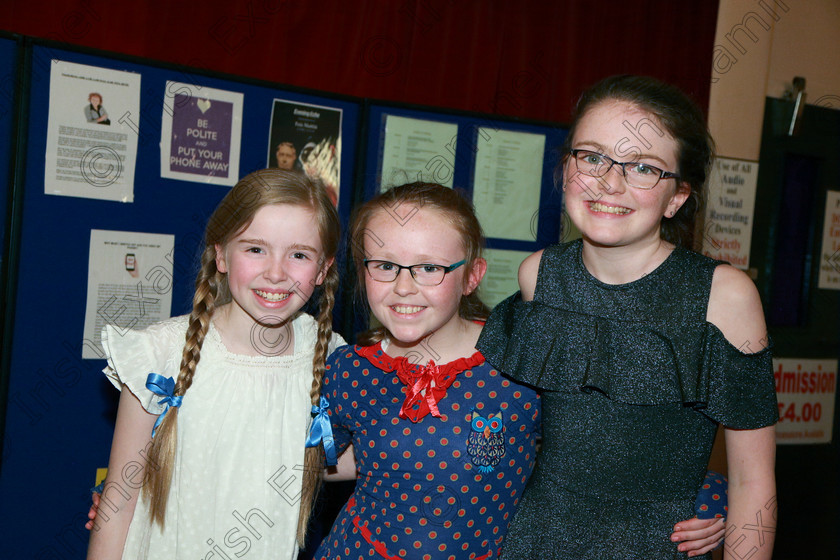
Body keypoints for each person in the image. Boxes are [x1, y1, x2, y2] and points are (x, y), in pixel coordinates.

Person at [310, 182, 725, 560]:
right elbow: (326, 461)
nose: (403, 286)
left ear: (472, 276)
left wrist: (702, 496)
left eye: (429, 268)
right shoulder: (349, 370)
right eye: (384, 265)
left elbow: (610, 446)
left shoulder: (523, 359)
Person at [477, 75, 778, 559]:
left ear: (677, 196)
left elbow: (753, 481)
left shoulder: (724, 296)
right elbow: (513, 432)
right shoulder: (539, 276)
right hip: (533, 542)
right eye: (592, 157)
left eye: (643, 167)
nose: (608, 182)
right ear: (565, 167)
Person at [86, 169, 343, 560]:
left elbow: (366, 457)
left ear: (323, 270)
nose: (276, 273)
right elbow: (118, 501)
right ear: (221, 254)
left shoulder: (330, 358)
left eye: (299, 255)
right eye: (255, 249)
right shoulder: (161, 352)